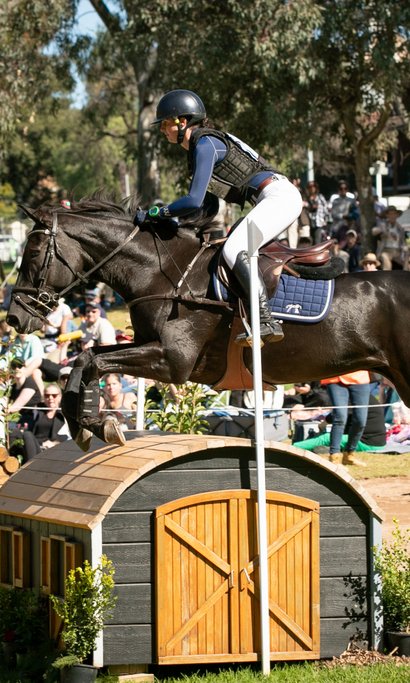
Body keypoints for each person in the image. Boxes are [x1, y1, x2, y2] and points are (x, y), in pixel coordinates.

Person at [137, 90, 298, 346]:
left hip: (279, 196)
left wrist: (156, 213)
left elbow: (192, 200)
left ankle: (266, 321)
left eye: (166, 123)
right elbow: (207, 208)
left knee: (235, 250)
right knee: (226, 245)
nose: (162, 130)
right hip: (270, 198)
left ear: (183, 121)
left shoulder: (205, 144)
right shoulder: (202, 147)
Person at [316, 370, 372, 466]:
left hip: (359, 378)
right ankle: (334, 458)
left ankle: (349, 455)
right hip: (335, 377)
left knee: (360, 420)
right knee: (340, 417)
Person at [13, 385, 69, 462]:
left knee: (27, 435)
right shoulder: (38, 411)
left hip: (54, 447)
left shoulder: (64, 414)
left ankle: (31, 466)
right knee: (15, 432)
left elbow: (66, 437)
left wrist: (54, 443)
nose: (50, 398)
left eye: (54, 395)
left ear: (60, 397)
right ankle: (10, 464)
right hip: (36, 444)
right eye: (47, 395)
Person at [373, 206, 409, 271]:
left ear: (397, 215)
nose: (392, 216)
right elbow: (373, 231)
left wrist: (405, 251)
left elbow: (403, 243)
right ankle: (387, 278)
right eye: (390, 214)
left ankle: (405, 277)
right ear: (387, 215)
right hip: (386, 250)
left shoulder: (400, 227)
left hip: (397, 251)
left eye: (394, 214)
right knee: (384, 258)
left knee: (408, 258)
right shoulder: (383, 225)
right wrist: (387, 233)